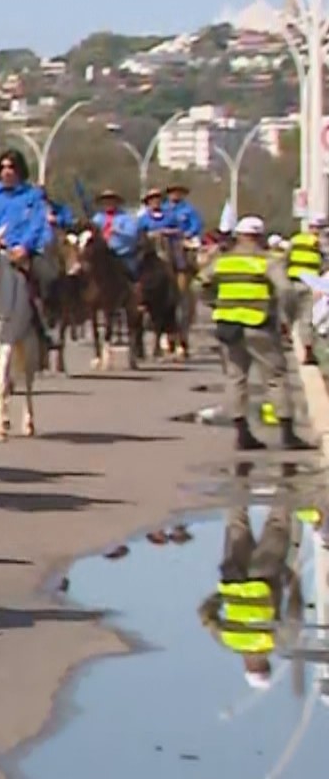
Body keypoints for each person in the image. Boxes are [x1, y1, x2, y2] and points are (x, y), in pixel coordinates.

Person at [204, 215, 314, 451]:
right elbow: (285, 290)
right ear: (260, 237)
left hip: (229, 326)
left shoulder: (222, 261)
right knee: (275, 377)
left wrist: (215, 304)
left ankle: (243, 434)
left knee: (236, 377)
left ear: (239, 236)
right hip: (259, 324)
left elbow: (199, 283)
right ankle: (287, 433)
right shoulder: (268, 261)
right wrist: (286, 317)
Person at [197, 462, 305, 693]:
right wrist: (223, 595)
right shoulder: (228, 640)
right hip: (234, 576)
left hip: (265, 577)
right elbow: (205, 613)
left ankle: (287, 470)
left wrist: (294, 584)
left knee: (278, 523)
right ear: (246, 666)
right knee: (237, 523)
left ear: (266, 665)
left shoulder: (274, 642)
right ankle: (239, 472)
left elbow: (294, 615)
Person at [0, 149, 57, 344]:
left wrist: (24, 247)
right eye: (3, 167)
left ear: (20, 170)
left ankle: (43, 325)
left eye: (11, 167)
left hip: (23, 252)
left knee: (48, 277)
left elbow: (38, 224)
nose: (7, 172)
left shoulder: (32, 196)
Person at [284, 214, 323, 365]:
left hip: (293, 282)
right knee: (307, 319)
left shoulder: (295, 240)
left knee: (289, 315)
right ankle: (307, 351)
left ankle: (285, 339)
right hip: (311, 284)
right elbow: (323, 265)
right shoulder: (320, 244)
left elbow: (285, 260)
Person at [91, 189, 143, 275]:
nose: (108, 203)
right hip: (103, 256)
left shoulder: (126, 217)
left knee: (132, 276)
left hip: (123, 256)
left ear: (116, 202)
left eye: (111, 200)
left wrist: (117, 231)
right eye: (105, 201)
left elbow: (133, 234)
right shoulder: (97, 218)